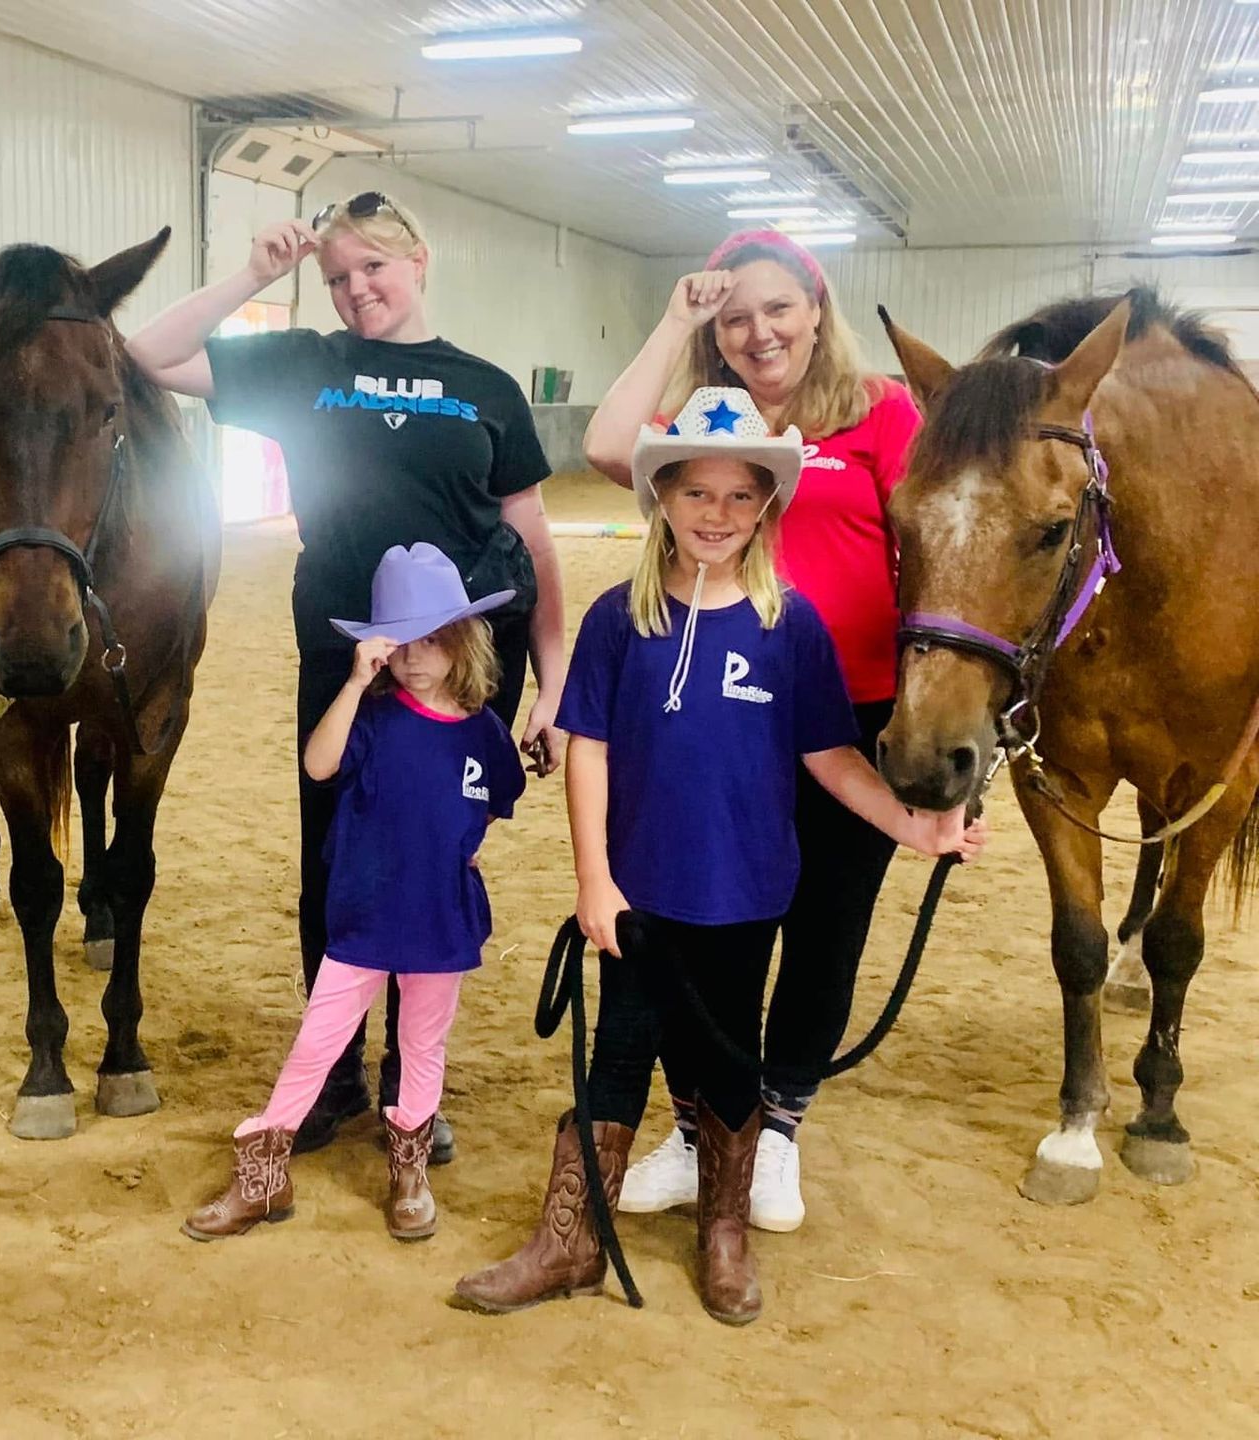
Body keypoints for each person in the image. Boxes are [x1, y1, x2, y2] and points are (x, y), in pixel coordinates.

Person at [454, 389, 983, 1324]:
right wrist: (594, 880)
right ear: (662, 496)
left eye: (742, 498)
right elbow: (591, 747)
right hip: (639, 897)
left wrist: (914, 825)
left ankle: (724, 1234)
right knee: (615, 1056)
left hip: (745, 896)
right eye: (697, 493)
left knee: (731, 1065)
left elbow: (831, 758)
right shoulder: (622, 618)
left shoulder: (794, 626)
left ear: (766, 509)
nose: (718, 516)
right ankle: (570, 1239)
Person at [126, 192, 568, 1163]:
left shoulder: (487, 388)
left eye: (372, 267)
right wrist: (252, 277)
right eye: (335, 277)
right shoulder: (305, 367)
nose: (355, 289)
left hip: (462, 669)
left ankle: (414, 1088)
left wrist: (555, 675)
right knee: (333, 857)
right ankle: (331, 1080)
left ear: (420, 259)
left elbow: (529, 537)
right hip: (347, 660)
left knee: (431, 863)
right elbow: (147, 355)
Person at [581, 228, 924, 1230]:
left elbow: (934, 532)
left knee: (822, 933)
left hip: (842, 714)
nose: (758, 331)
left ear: (818, 308)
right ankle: (699, 1134)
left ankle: (775, 1131)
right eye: (735, 315)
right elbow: (608, 445)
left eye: (777, 308)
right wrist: (677, 316)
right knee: (709, 932)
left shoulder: (881, 412)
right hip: (715, 716)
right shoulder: (699, 416)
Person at [183, 544, 525, 1243]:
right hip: (365, 914)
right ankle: (263, 1174)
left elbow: (493, 800)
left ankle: (410, 1169)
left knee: (422, 1044)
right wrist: (352, 682)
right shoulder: (372, 718)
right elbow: (318, 763)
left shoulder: (485, 733)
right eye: (400, 644)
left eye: (433, 641)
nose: (416, 658)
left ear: (464, 642)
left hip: (439, 918)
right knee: (317, 1041)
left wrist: (455, 846)